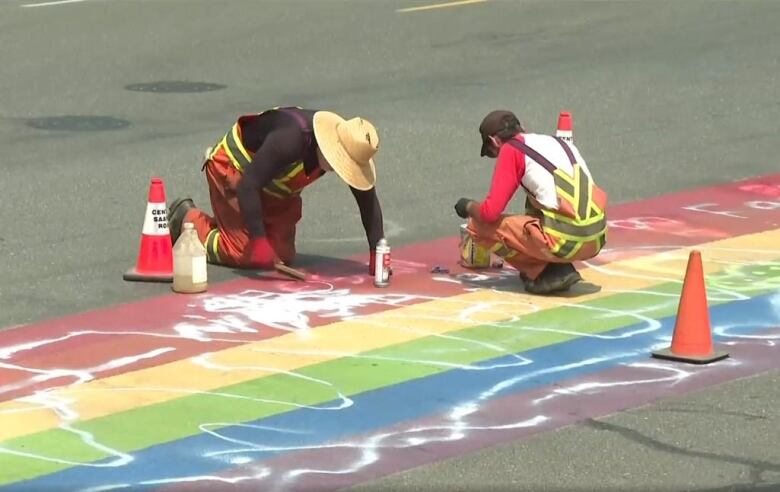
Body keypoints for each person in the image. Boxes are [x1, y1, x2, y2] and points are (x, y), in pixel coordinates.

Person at [168, 106, 385, 273]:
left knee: (282, 254)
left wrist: (378, 249)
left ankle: (232, 227)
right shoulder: (289, 141)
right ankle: (188, 221)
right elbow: (248, 186)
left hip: (272, 187)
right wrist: (259, 239)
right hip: (236, 172)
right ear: (328, 147)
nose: (340, 171)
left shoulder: (349, 143)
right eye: (340, 163)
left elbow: (367, 200)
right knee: (246, 253)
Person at [454, 110, 608, 295]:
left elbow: (490, 213)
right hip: (596, 237)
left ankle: (545, 272)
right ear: (522, 129)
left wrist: (468, 206)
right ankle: (552, 264)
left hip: (566, 241)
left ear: (494, 141)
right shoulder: (555, 142)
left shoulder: (511, 150)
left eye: (491, 152)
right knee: (532, 202)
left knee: (478, 225)